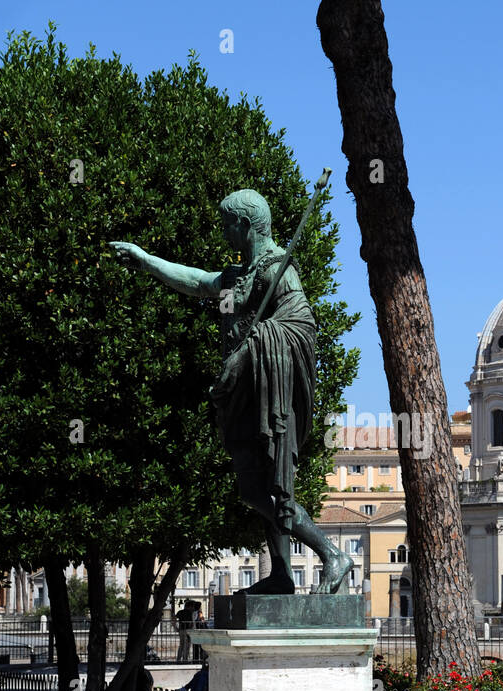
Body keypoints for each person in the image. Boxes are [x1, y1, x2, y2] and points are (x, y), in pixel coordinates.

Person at [112, 189, 353, 594]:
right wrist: (145, 260)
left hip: (269, 393)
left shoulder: (278, 269)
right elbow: (195, 280)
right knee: (253, 487)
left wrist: (258, 340)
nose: (224, 232)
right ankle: (281, 574)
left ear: (245, 224)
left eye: (227, 224)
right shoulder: (238, 275)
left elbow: (302, 326)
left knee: (268, 486)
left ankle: (332, 554)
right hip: (243, 392)